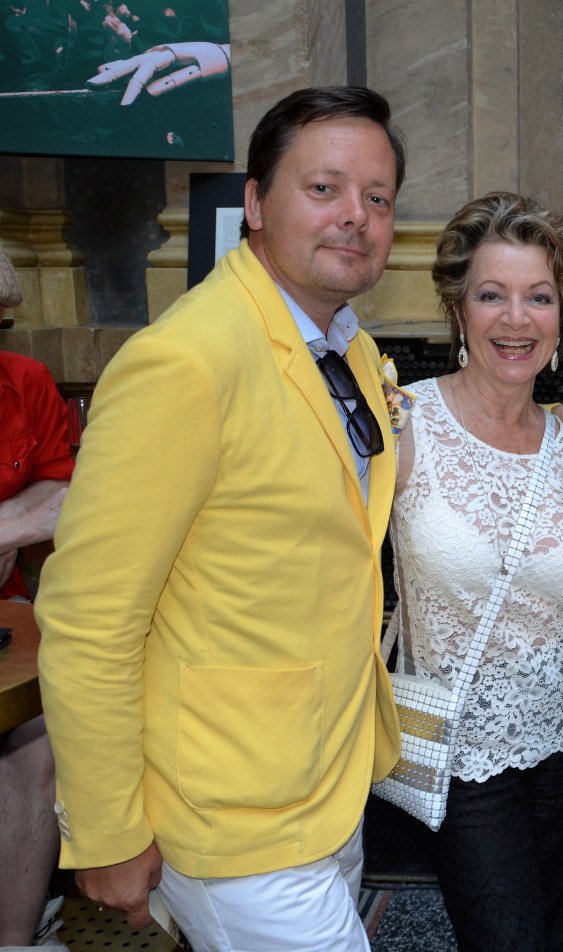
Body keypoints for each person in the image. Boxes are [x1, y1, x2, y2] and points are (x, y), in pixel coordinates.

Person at [35, 85, 406, 950]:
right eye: (324, 188)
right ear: (255, 204)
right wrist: (108, 831)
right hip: (230, 810)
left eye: (378, 197)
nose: (355, 216)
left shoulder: (347, 346)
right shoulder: (185, 361)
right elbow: (90, 619)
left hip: (326, 780)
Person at [385, 191, 563, 951]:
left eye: (538, 297)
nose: (516, 319)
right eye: (491, 295)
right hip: (458, 752)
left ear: (561, 319)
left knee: (555, 936)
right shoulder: (402, 424)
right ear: (457, 309)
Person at [0, 246, 71, 949]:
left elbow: (64, 486)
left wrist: (10, 526)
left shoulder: (25, 381)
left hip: (12, 618)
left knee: (43, 732)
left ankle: (14, 937)